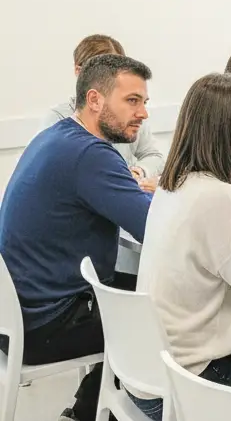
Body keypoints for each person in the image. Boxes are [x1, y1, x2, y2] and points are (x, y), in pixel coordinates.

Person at [0, 54, 153, 421]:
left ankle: (84, 411)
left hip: (18, 316)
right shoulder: (90, 154)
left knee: (146, 295)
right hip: (47, 325)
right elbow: (153, 228)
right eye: (132, 100)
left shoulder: (55, 137)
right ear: (95, 100)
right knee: (167, 315)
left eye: (145, 101)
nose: (144, 113)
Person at [128, 74, 231, 420]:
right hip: (186, 386)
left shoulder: (174, 184)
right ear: (228, 128)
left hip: (144, 373)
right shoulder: (218, 198)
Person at [42, 34, 165, 189]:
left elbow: (155, 156)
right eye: (103, 72)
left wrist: (138, 171)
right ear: (79, 72)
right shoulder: (58, 120)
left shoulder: (132, 115)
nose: (142, 113)